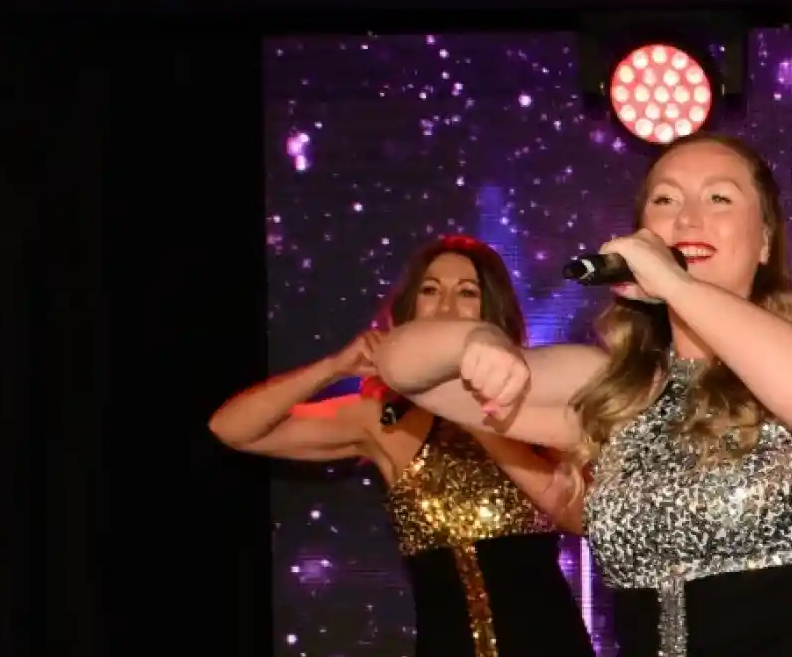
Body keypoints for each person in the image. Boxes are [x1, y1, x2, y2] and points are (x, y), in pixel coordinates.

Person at [373, 133, 792, 657]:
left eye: (719, 198)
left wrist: (676, 284)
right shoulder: (613, 388)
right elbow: (401, 366)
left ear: (763, 241)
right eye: (665, 200)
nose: (688, 219)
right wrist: (475, 339)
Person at [210, 235, 595, 657]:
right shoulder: (383, 418)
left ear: (492, 312)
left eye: (467, 292)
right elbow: (232, 428)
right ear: (411, 307)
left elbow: (581, 518)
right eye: (431, 290)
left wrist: (482, 418)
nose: (446, 305)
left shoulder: (531, 402)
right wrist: (332, 367)